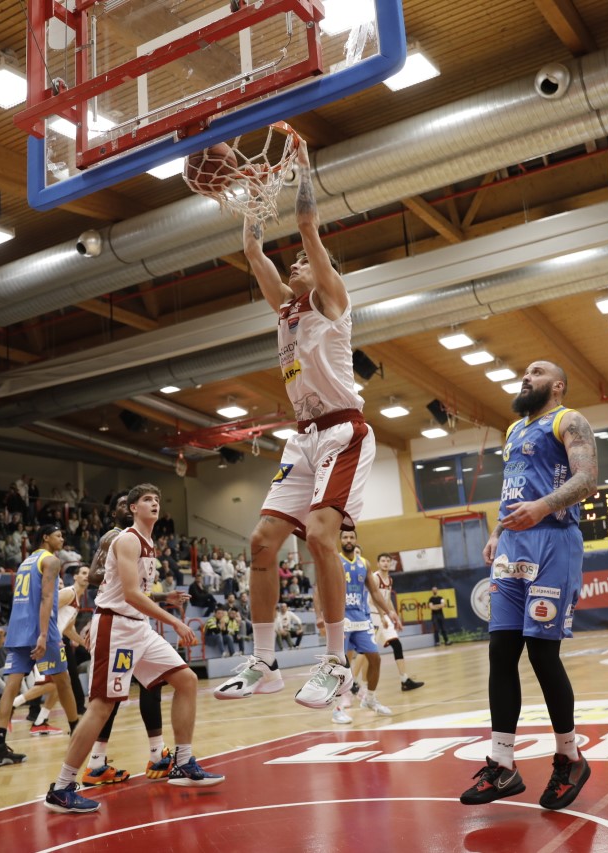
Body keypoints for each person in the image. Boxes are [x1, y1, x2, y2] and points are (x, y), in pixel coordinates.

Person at [216, 140, 376, 710]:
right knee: (260, 543)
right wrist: (253, 197)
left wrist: (301, 167)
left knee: (323, 537)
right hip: (304, 438)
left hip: (344, 431)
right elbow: (254, 251)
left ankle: (333, 662)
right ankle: (264, 664)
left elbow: (307, 225)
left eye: (304, 263)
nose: (296, 265)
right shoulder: (285, 307)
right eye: (296, 266)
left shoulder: (333, 300)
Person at [460, 360, 596, 812]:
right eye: (524, 372)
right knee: (501, 652)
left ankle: (570, 756)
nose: (525, 376)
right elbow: (511, 491)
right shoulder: (513, 430)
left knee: (541, 653)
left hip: (554, 541)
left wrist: (541, 508)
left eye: (536, 372)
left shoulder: (568, 420)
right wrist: (498, 532)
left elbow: (587, 479)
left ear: (557, 385)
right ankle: (502, 764)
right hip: (511, 545)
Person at [45, 484, 219, 814]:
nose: (154, 504)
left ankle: (182, 763)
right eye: (147, 500)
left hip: (139, 627)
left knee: (187, 680)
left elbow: (135, 592)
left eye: (157, 499)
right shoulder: (126, 539)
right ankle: (63, 786)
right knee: (101, 706)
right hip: (117, 628)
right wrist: (176, 621)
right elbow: (128, 594)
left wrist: (161, 601)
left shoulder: (149, 545)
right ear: (133, 508)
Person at [79, 494, 174, 786]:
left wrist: (160, 597)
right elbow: (97, 577)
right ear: (119, 512)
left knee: (153, 684)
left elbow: (135, 589)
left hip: (134, 622)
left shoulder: (143, 540)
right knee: (109, 698)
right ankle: (92, 763)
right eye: (122, 503)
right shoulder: (116, 538)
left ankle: (157, 753)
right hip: (116, 622)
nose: (126, 506)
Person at [0, 523, 80, 767]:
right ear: (45, 537)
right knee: (64, 682)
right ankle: (78, 734)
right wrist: (41, 635)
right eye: (58, 535)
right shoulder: (51, 561)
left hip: (17, 628)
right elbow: (47, 598)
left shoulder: (26, 561)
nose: (62, 539)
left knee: (11, 687)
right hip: (40, 629)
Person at [328, 530, 401, 724]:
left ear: (356, 540)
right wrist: (321, 616)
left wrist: (389, 612)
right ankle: (336, 709)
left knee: (375, 659)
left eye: (351, 537)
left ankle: (369, 699)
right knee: (340, 664)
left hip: (361, 619)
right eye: (345, 537)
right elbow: (322, 589)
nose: (348, 540)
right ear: (340, 540)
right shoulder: (334, 561)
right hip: (341, 620)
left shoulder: (364, 563)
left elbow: (375, 593)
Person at [371, 553, 424, 691]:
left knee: (397, 644)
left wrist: (395, 617)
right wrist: (383, 616)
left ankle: (404, 680)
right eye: (383, 560)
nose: (385, 563)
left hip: (383, 615)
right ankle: (355, 683)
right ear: (378, 563)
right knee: (367, 652)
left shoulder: (389, 579)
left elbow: (387, 601)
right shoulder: (375, 578)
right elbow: (373, 599)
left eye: (388, 561)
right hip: (372, 615)